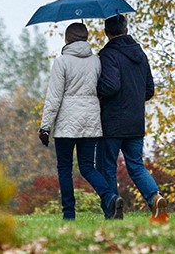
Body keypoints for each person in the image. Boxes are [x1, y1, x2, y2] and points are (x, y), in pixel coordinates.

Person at [38, 22, 118, 220]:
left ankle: (69, 215)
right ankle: (109, 197)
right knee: (88, 167)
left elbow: (54, 97)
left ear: (67, 39)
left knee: (65, 168)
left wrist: (45, 127)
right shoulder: (96, 61)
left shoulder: (62, 62)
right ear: (86, 38)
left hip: (66, 124)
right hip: (90, 121)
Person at [97, 13, 167, 222]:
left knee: (107, 166)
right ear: (126, 30)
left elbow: (110, 85)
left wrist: (97, 90)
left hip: (112, 122)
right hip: (136, 121)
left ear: (106, 32)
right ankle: (155, 197)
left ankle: (113, 208)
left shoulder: (108, 54)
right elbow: (149, 89)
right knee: (136, 165)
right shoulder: (140, 53)